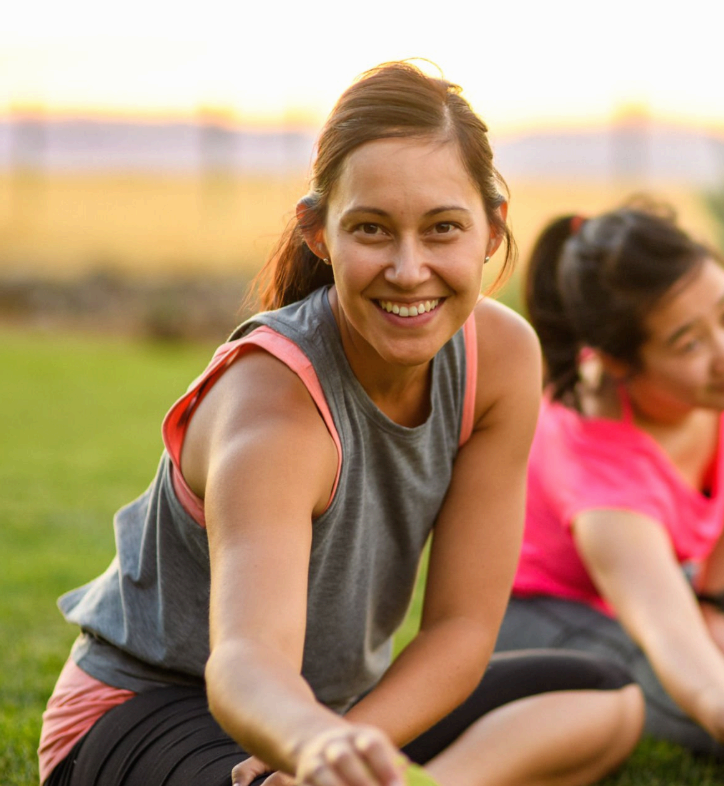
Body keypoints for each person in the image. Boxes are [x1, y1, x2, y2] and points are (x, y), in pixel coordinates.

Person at [39, 62, 643, 786]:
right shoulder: (276, 400)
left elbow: (461, 629)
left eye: (443, 228)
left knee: (606, 695)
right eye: (372, 230)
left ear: (491, 229)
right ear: (319, 233)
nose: (410, 268)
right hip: (156, 707)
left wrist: (346, 746)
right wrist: (315, 745)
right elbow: (245, 664)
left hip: (326, 712)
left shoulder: (503, 358)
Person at [495, 201, 724, 758]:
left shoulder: (707, 388)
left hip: (675, 581)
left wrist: (713, 607)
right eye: (689, 343)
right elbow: (682, 656)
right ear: (620, 363)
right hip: (546, 612)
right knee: (689, 711)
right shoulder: (598, 468)